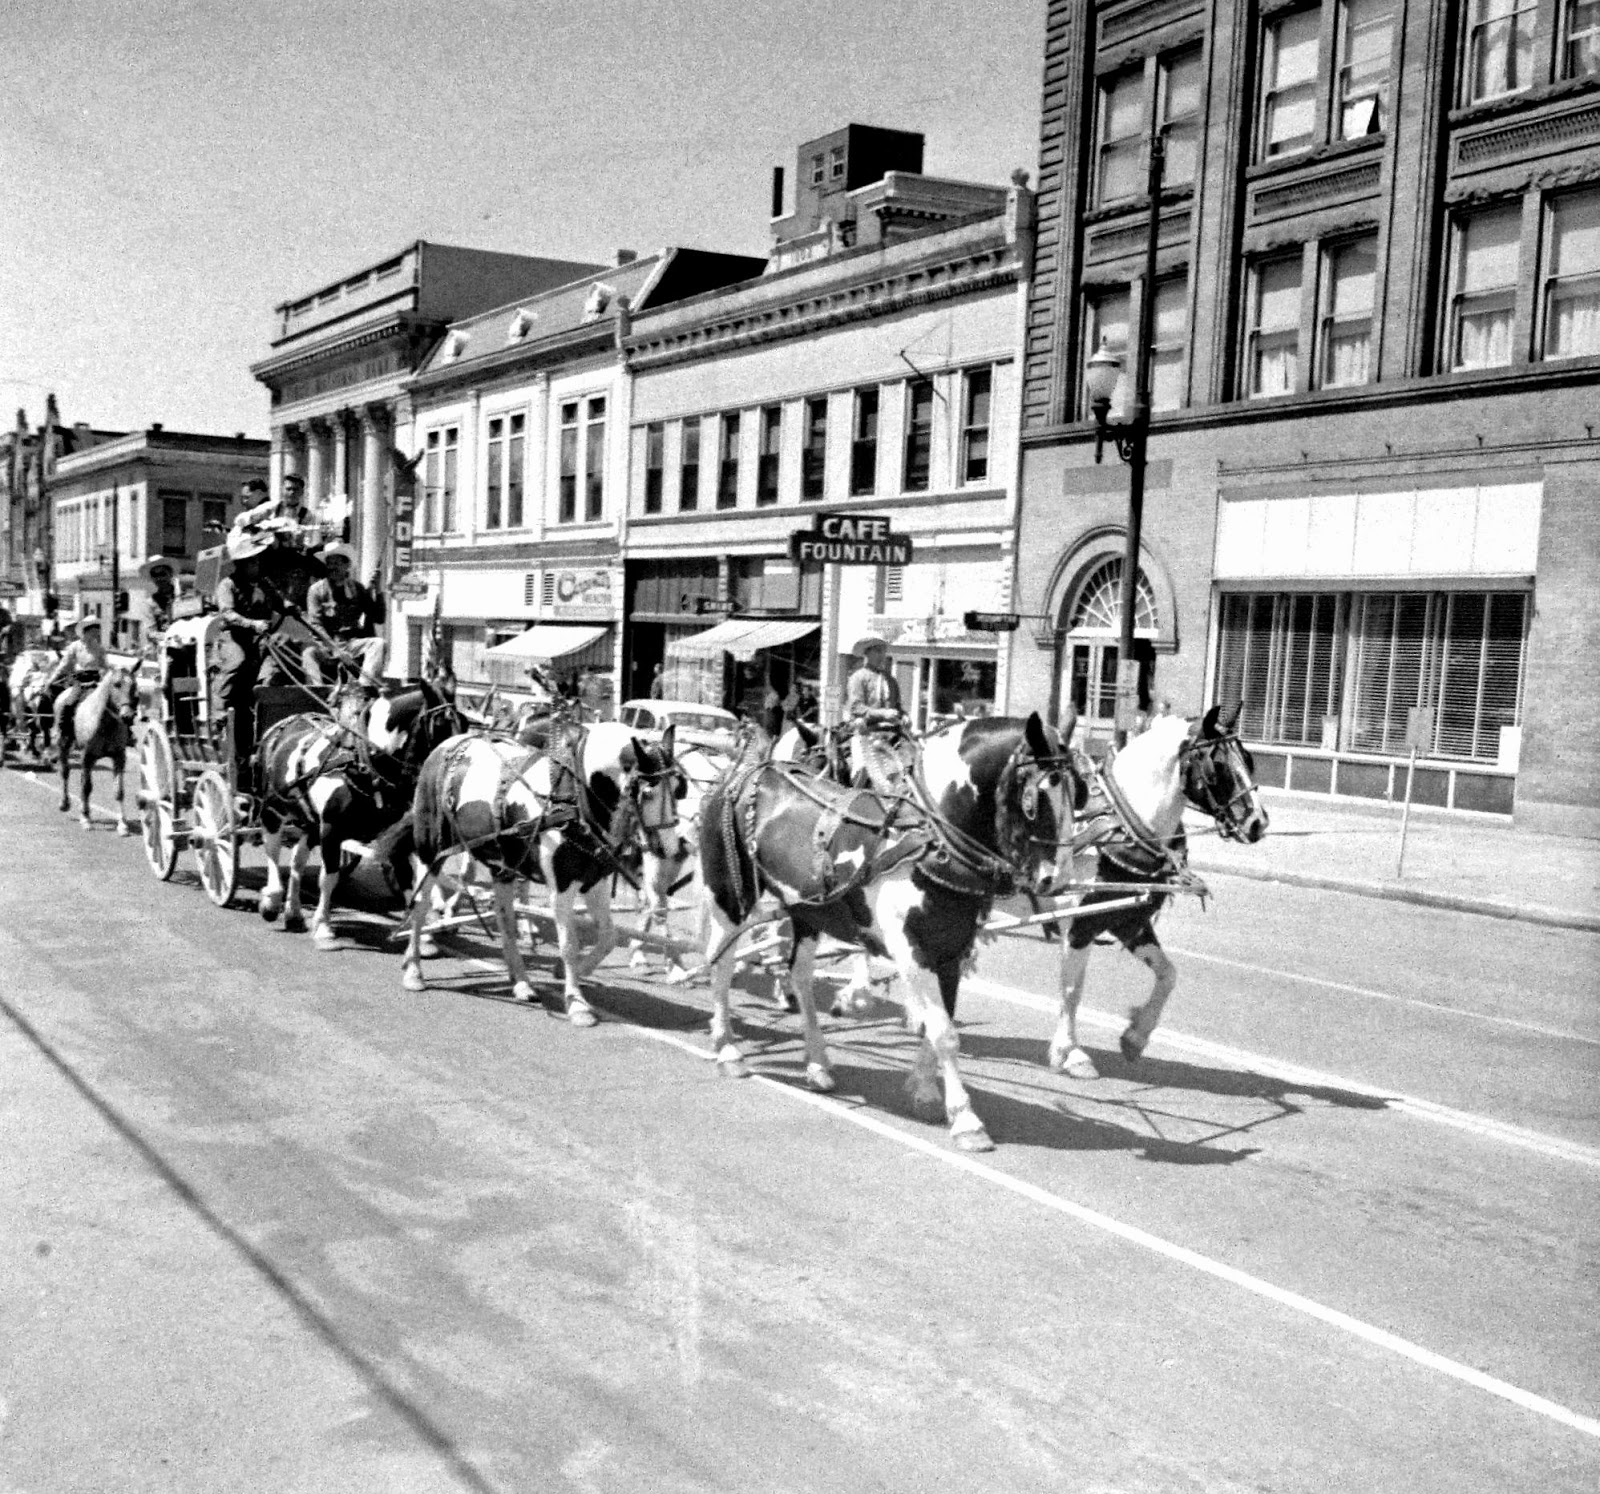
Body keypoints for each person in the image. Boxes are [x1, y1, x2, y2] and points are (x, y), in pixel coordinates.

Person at [212, 529, 279, 772]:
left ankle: (266, 698)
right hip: (234, 638)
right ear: (241, 564)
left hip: (261, 640)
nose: (257, 564)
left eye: (258, 560)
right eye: (252, 561)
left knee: (281, 658)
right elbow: (227, 613)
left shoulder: (265, 584)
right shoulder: (227, 585)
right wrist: (252, 624)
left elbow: (281, 602)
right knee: (238, 662)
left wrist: (292, 609)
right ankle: (220, 707)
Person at [302, 542, 386, 688]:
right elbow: (315, 626)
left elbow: (379, 617)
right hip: (327, 647)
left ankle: (363, 688)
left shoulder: (357, 589)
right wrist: (335, 649)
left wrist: (378, 588)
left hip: (352, 644)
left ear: (347, 565)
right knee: (309, 653)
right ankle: (319, 691)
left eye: (337, 563)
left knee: (378, 643)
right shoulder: (316, 590)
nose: (332, 567)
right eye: (329, 563)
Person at [845, 634, 907, 790]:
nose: (882, 656)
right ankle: (855, 799)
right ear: (867, 653)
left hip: (892, 735)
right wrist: (883, 714)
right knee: (863, 770)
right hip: (866, 732)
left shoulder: (891, 680)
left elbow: (897, 707)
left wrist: (904, 716)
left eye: (883, 651)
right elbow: (856, 707)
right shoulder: (858, 678)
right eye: (878, 651)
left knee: (910, 765)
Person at [45, 616, 109, 733]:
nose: (96, 635)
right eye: (94, 632)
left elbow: (105, 667)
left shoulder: (99, 648)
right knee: (70, 701)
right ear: (86, 631)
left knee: (110, 702)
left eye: (97, 632)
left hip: (95, 679)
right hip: (80, 680)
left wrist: (106, 677)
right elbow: (63, 665)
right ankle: (63, 728)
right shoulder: (75, 646)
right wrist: (52, 679)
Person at [139, 555, 179, 640]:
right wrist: (169, 636)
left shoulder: (183, 596)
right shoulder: (149, 603)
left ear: (170, 574)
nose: (159, 578)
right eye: (155, 575)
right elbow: (151, 633)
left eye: (162, 574)